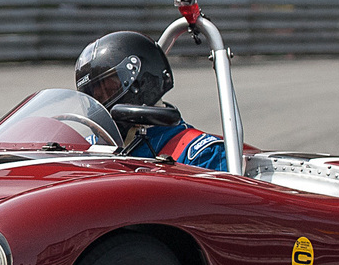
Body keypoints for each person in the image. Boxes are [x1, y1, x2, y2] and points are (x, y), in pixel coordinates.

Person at [75, 31, 230, 170]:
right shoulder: (84, 148)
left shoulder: (200, 154)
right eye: (92, 97)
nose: (99, 103)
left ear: (138, 83)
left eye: (107, 91)